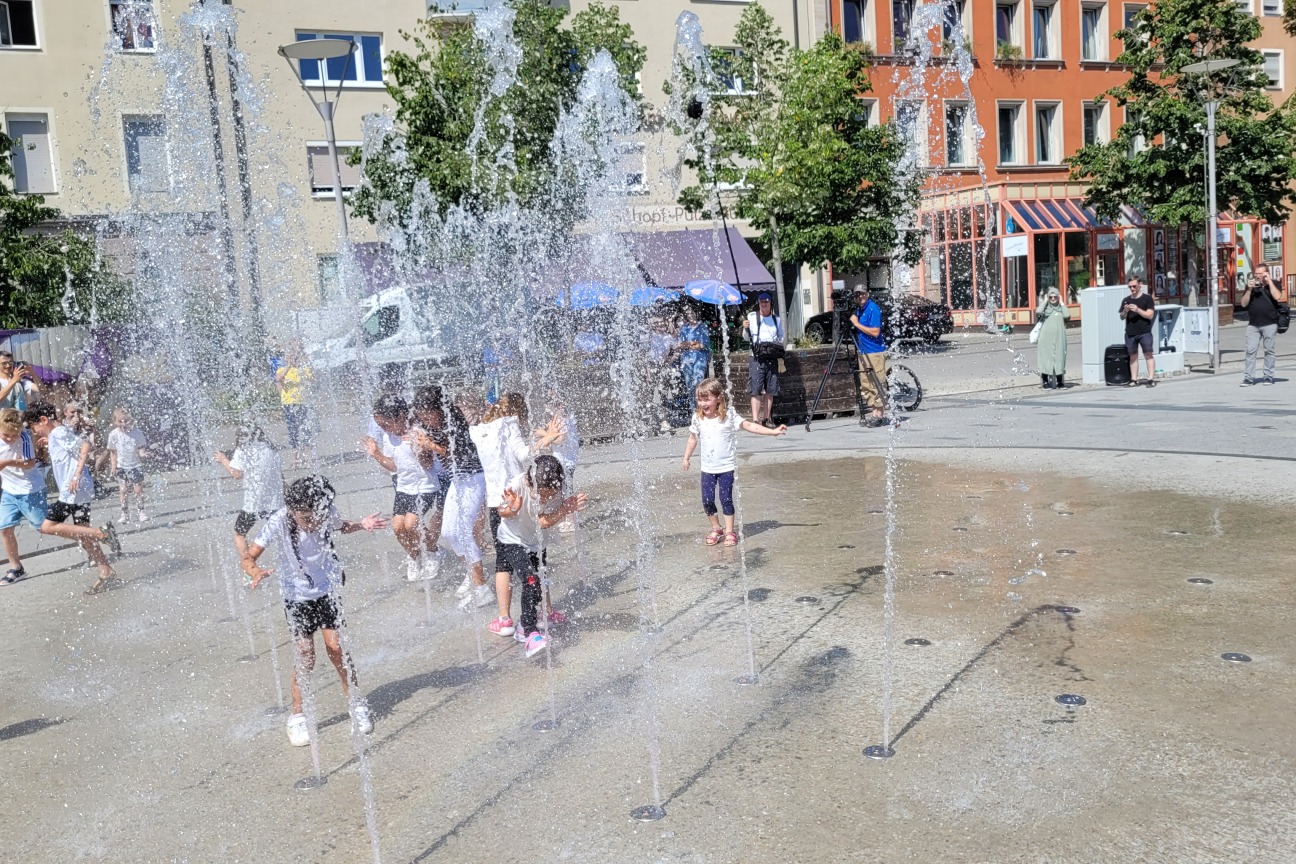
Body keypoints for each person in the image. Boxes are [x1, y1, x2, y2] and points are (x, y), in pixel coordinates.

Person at [241, 475, 388, 747]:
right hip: (297, 597)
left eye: (318, 515)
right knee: (305, 656)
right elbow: (249, 556)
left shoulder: (325, 512)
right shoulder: (279, 522)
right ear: (294, 511)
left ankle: (356, 704)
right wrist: (255, 572)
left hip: (327, 590)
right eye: (308, 518)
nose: (315, 522)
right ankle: (297, 716)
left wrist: (361, 524)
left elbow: (340, 525)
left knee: (337, 650)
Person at [472, 393, 563, 637]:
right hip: (519, 495)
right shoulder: (508, 424)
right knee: (537, 554)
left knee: (503, 563)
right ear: (518, 413)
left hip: (496, 501)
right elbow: (525, 455)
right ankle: (545, 612)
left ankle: (504, 619)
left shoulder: (479, 430)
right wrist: (548, 440)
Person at [23, 402, 123, 595]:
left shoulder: (59, 433)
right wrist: (49, 441)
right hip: (78, 488)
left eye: (35, 427)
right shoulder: (56, 434)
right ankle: (106, 571)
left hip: (73, 489)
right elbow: (69, 447)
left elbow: (85, 445)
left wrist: (76, 475)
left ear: (43, 420)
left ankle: (101, 533)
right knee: (83, 533)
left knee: (46, 527)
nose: (35, 432)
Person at [495, 455, 587, 658]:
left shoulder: (557, 488)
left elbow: (544, 522)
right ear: (530, 481)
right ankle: (529, 633)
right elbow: (500, 510)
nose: (544, 499)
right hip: (512, 540)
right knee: (530, 579)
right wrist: (511, 508)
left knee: (539, 580)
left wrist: (564, 508)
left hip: (536, 541)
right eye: (541, 494)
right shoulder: (518, 483)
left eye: (549, 495)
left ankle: (525, 624)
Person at [412, 386, 493, 610]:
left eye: (427, 413)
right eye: (421, 414)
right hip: (457, 481)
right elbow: (428, 463)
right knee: (448, 532)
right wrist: (421, 449)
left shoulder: (455, 420)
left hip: (474, 477)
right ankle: (473, 574)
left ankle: (481, 589)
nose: (424, 418)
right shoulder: (429, 428)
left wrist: (430, 445)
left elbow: (460, 454)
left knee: (464, 531)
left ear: (439, 409)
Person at [681, 377, 786, 548]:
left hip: (726, 467)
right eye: (699, 399)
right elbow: (693, 438)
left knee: (725, 499)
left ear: (718, 398)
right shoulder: (698, 418)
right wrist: (686, 458)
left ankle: (730, 531)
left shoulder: (729, 415)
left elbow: (750, 426)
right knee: (707, 500)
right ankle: (716, 528)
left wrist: (772, 432)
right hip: (707, 468)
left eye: (706, 399)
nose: (702, 403)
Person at [362, 394, 444, 582]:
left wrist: (420, 448)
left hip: (425, 486)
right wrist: (376, 454)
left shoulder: (418, 432)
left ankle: (432, 552)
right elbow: (393, 466)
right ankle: (415, 557)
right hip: (404, 487)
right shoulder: (389, 437)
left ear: (400, 417)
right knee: (398, 527)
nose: (384, 429)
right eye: (381, 426)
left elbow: (428, 465)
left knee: (411, 523)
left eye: (386, 424)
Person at [213, 423, 285, 561]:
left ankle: (250, 570)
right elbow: (279, 474)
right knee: (282, 535)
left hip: (253, 504)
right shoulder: (271, 449)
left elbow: (236, 473)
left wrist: (223, 459)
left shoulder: (244, 450)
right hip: (275, 502)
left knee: (239, 533)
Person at [0, 408, 43, 584]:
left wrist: (7, 462)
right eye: (5, 435)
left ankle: (92, 538)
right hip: (9, 490)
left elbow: (30, 462)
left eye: (14, 435)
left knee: (44, 527)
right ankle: (16, 568)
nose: (10, 439)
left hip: (29, 489)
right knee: (4, 528)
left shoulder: (24, 436)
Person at [1239, 263, 1287, 387]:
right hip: (1253, 324)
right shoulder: (1252, 285)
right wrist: (1249, 289)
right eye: (1256, 274)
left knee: (1269, 351)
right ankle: (1248, 378)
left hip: (1270, 323)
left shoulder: (1274, 283)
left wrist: (1269, 281)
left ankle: (1268, 376)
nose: (1258, 276)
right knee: (1250, 351)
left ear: (1267, 273)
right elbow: (1243, 304)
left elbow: (1277, 296)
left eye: (1261, 273)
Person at [742, 292, 785, 428]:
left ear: (771, 303)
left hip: (771, 358)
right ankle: (755, 419)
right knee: (756, 388)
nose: (764, 304)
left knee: (770, 390)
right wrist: (745, 328)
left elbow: (781, 337)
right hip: (756, 357)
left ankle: (767, 418)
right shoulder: (752, 317)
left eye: (766, 302)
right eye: (761, 302)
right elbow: (745, 337)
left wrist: (773, 346)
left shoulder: (776, 320)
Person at [849, 286, 888, 427]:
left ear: (868, 294)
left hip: (875, 352)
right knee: (866, 384)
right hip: (863, 351)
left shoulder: (873, 308)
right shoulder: (860, 309)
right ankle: (874, 413)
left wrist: (856, 324)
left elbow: (876, 332)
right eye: (858, 294)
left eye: (863, 294)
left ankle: (880, 414)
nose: (861, 297)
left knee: (877, 382)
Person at [275, 343, 317, 467]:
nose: (292, 358)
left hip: (302, 403)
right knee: (292, 431)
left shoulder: (303, 369)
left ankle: (309, 459)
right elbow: (278, 379)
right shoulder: (282, 370)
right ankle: (295, 459)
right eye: (289, 356)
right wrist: (288, 366)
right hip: (289, 404)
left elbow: (312, 379)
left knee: (306, 430)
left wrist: (303, 364)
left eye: (294, 356)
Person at [107, 407, 151, 523]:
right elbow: (113, 452)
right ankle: (125, 513)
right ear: (115, 422)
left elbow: (140, 448)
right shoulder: (113, 435)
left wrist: (143, 454)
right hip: (121, 466)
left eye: (126, 421)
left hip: (135, 465)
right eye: (120, 421)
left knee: (138, 490)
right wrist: (113, 466)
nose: (123, 424)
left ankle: (141, 511)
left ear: (131, 420)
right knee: (123, 490)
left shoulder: (137, 433)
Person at [1118, 277, 1157, 386]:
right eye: (1130, 287)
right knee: (1133, 356)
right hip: (1130, 332)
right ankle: (1134, 379)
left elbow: (1150, 315)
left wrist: (1138, 310)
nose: (1132, 289)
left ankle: (1150, 379)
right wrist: (1125, 311)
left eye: (1134, 286)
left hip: (1144, 331)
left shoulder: (1147, 299)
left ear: (1140, 284)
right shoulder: (1126, 300)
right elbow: (1121, 317)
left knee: (1148, 354)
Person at [677, 305, 711, 414]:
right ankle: (693, 410)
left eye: (692, 313)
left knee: (698, 382)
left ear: (696, 314)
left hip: (700, 358)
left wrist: (694, 344)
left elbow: (704, 344)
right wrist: (691, 344)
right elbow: (680, 344)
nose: (690, 316)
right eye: (688, 314)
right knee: (689, 384)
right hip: (687, 359)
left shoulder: (702, 327)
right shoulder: (684, 328)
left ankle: (701, 409)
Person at [1035, 286, 1071, 390]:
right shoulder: (1046, 309)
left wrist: (1063, 303)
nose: (1053, 298)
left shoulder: (1061, 308)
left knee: (1059, 358)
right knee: (1046, 359)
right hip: (1046, 339)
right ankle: (1045, 382)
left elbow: (1067, 315)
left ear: (1058, 297)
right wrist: (1045, 301)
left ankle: (1060, 382)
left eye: (1055, 296)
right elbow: (1038, 311)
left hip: (1060, 338)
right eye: (1051, 297)